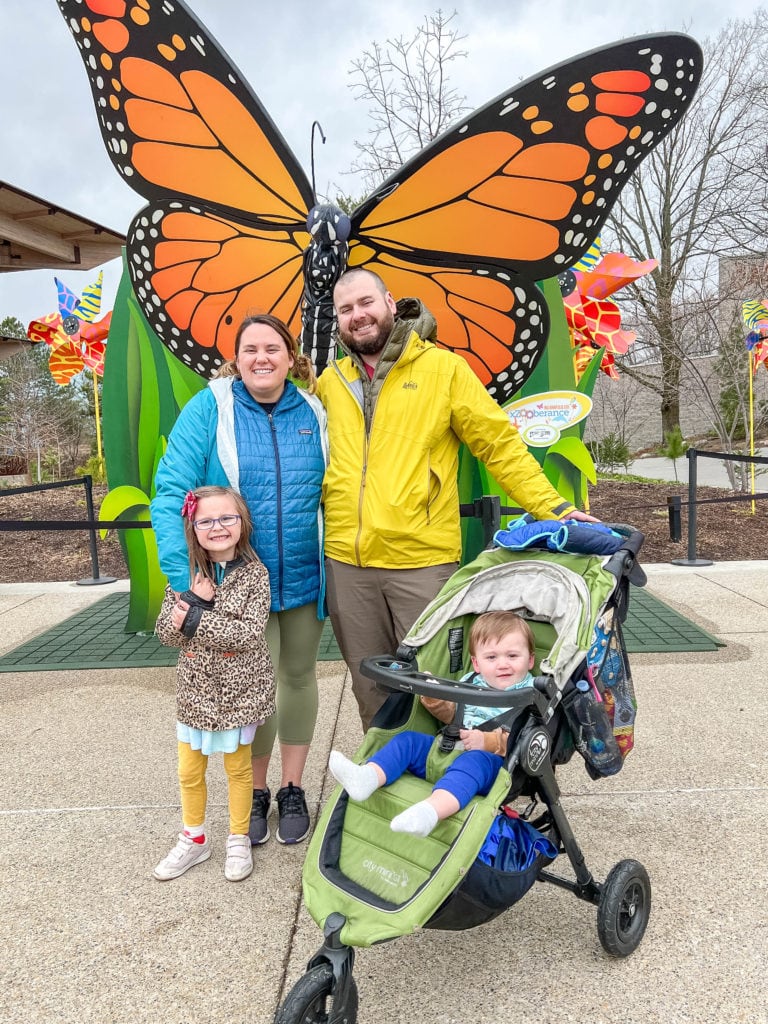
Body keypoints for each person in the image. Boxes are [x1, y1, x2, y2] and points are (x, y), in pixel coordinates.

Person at [317, 267, 597, 730]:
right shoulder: (330, 381)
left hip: (421, 561)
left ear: (390, 302)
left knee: (435, 688)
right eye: (345, 309)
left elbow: (498, 445)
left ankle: (444, 783)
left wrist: (556, 509)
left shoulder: (443, 369)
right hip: (348, 565)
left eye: (366, 302)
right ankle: (385, 782)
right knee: (369, 687)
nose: (357, 316)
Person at [151, 314, 328, 847]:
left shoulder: (313, 409)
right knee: (253, 687)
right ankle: (250, 793)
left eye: (272, 348)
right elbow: (169, 493)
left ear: (290, 355)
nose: (261, 358)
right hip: (236, 583)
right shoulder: (211, 406)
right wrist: (190, 577)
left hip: (301, 574)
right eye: (250, 349)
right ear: (236, 356)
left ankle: (292, 788)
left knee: (298, 677)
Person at [153, 485, 274, 881]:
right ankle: (195, 839)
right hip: (195, 692)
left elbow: (247, 634)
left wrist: (193, 618)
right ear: (194, 527)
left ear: (242, 522)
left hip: (240, 694)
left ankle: (238, 837)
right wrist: (190, 599)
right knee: (189, 771)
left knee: (238, 769)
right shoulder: (185, 575)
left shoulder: (255, 575)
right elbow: (165, 635)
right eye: (206, 520)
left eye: (227, 518)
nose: (217, 527)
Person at [328, 611, 536, 837]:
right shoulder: (470, 682)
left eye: (513, 656)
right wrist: (432, 694)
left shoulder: (530, 694)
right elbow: (453, 714)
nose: (503, 664)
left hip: (492, 765)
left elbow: (527, 739)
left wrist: (486, 741)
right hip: (447, 749)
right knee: (407, 741)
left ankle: (430, 812)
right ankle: (367, 777)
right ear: (476, 663)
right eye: (492, 658)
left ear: (530, 659)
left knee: (472, 763)